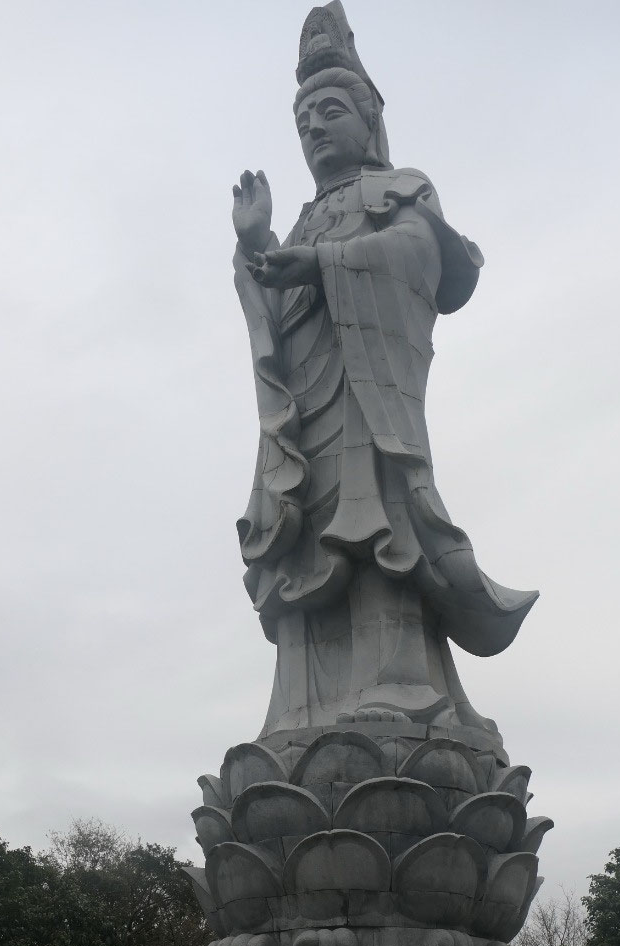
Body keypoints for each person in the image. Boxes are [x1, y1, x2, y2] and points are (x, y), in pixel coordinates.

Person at [230, 1, 537, 737]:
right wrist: (257, 248)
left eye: (330, 112)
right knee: (304, 532)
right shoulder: (303, 219)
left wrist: (325, 262)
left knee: (372, 524)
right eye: (304, 120)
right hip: (306, 404)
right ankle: (301, 709)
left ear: (368, 121)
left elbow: (419, 258)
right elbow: (275, 311)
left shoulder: (398, 188)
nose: (314, 129)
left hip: (368, 398)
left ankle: (400, 687)